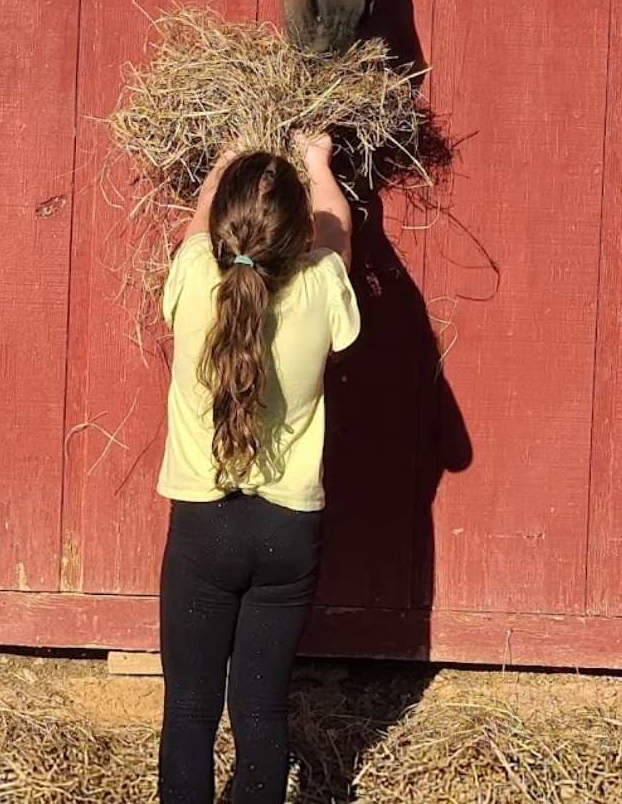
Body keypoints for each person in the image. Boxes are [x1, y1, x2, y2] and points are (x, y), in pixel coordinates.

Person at [156, 133, 361, 803]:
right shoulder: (321, 286)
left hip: (203, 530)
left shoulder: (194, 273)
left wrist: (222, 162)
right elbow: (338, 234)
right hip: (287, 534)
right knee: (262, 710)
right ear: (299, 235)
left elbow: (201, 222)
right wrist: (317, 161)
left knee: (189, 712)